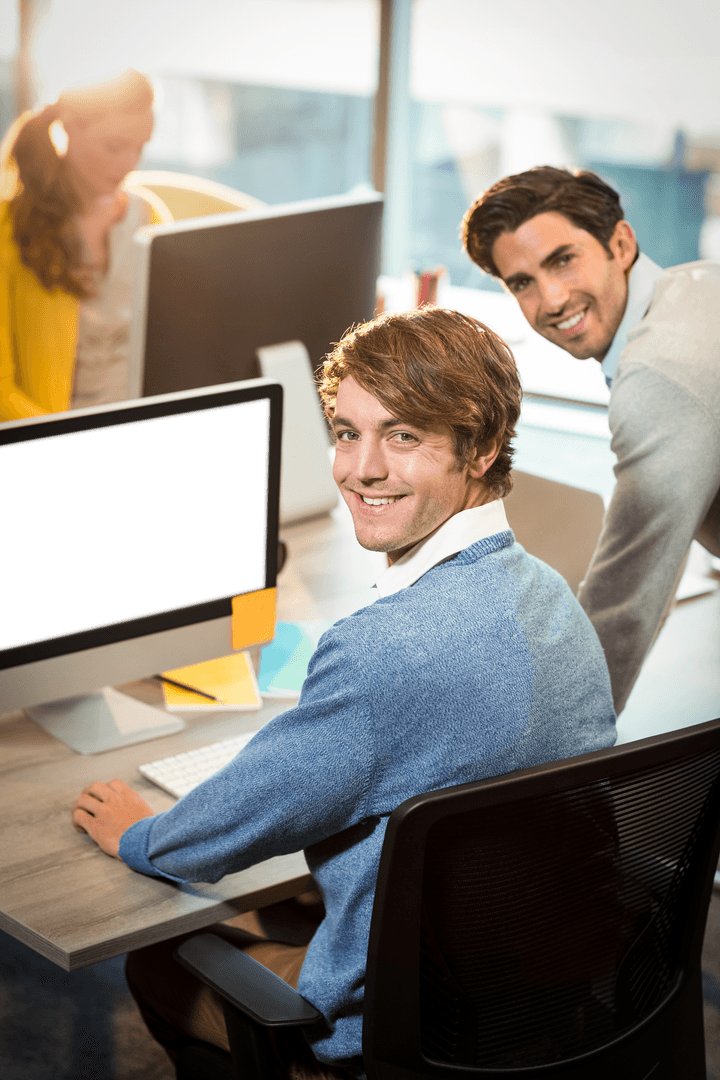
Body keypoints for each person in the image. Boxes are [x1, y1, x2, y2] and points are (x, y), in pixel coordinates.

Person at [71, 306, 616, 1078]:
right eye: (346, 431)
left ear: (482, 448)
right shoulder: (555, 596)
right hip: (541, 997)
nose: (360, 468)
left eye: (402, 436)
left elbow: (217, 840)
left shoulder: (377, 655)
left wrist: (136, 833)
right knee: (295, 898)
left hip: (404, 1031)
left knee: (156, 958)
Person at [462, 166, 720, 715]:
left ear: (621, 243)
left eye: (563, 259)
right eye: (522, 282)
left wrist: (540, 767)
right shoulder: (703, 285)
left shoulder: (657, 373)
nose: (551, 299)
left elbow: (623, 605)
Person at [0, 68, 169, 422]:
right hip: (49, 437)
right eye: (115, 147)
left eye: (140, 148)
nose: (129, 165)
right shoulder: (9, 227)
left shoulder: (149, 217)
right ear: (71, 127)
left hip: (143, 425)